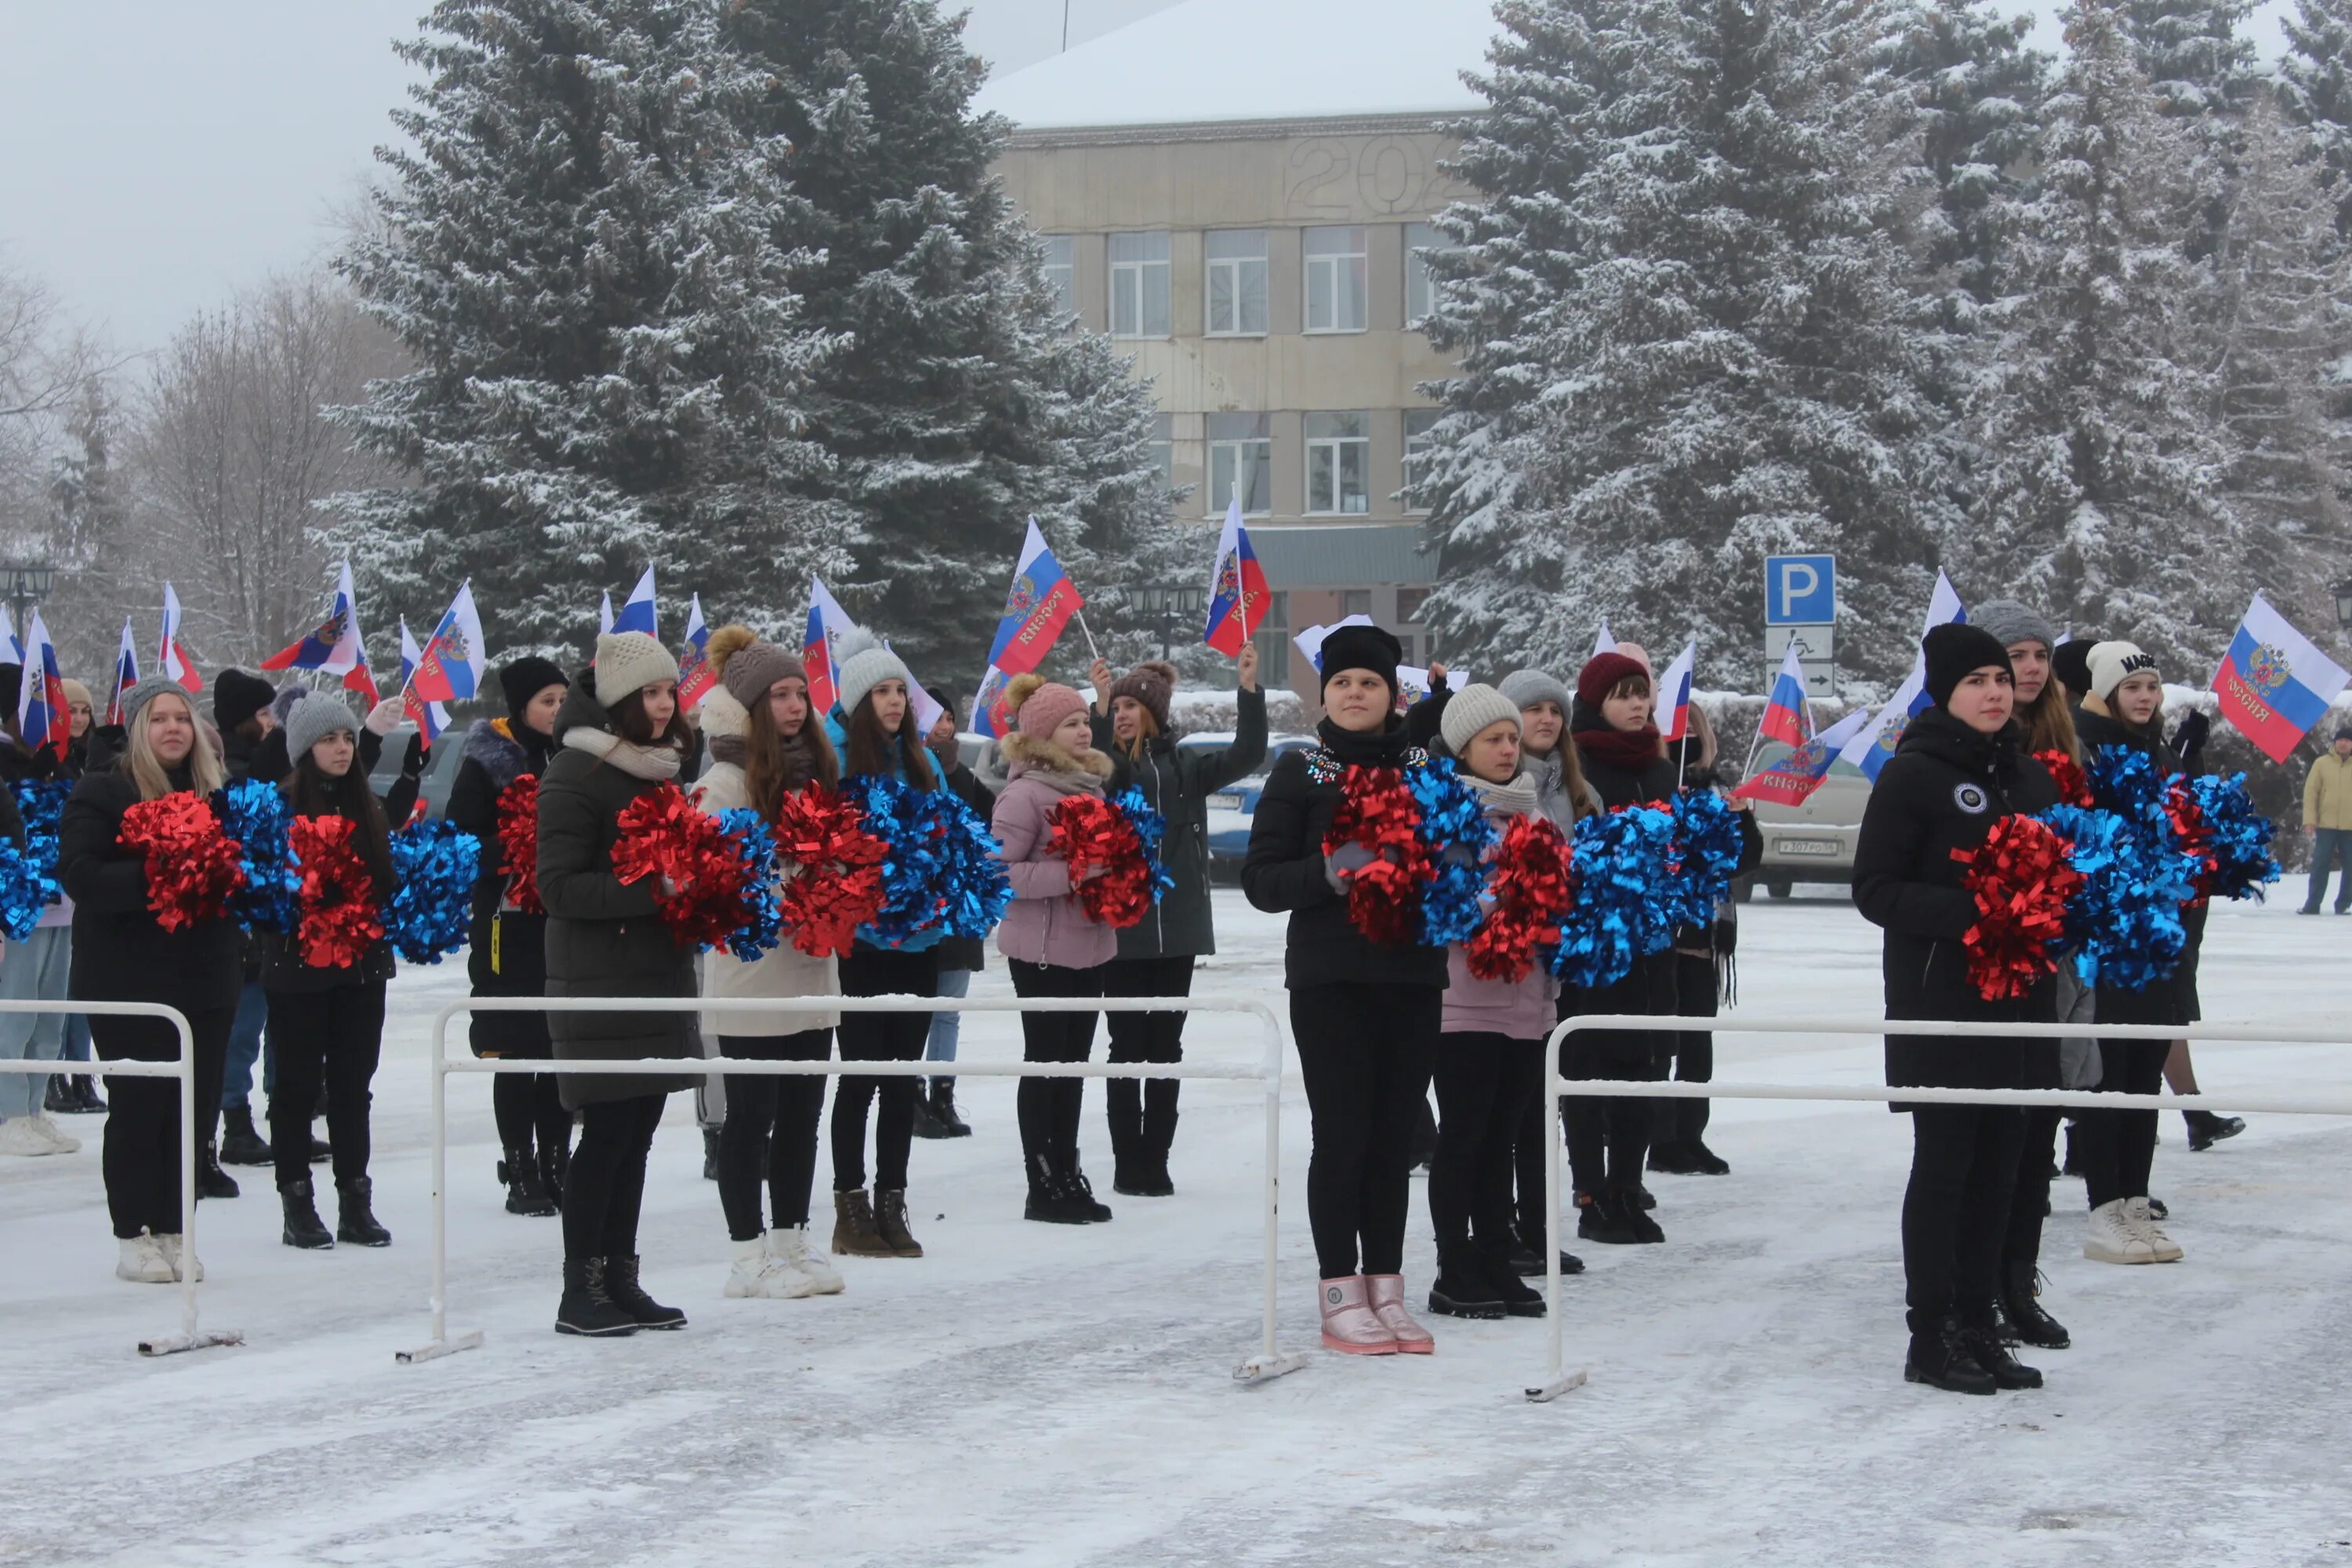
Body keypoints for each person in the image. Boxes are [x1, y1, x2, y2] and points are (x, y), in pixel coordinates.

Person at [1853, 622, 2059, 1396]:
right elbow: (1874, 887)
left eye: (2001, 679)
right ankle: (1930, 1333)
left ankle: (1981, 1322)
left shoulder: (2029, 776)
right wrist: (1979, 908)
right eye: (1977, 680)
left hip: (2021, 1003)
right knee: (1946, 1168)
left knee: (2002, 1168)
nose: (1995, 691)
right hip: (1943, 999)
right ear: (1945, 690)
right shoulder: (1913, 774)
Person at [1243, 622, 1445, 1356]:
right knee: (1344, 1137)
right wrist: (1330, 869)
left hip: (1414, 972)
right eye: (1341, 684)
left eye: (1369, 683)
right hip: (1332, 978)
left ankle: (1386, 1290)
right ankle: (1338, 1293)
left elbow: (1457, 856)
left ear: (1393, 693)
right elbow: (1261, 879)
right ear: (1323, 694)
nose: (1355, 694)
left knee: (1395, 1139)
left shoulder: (1426, 767)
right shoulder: (1302, 770)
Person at [537, 632, 699, 1337]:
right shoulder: (576, 771)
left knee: (637, 1134)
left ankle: (622, 1278)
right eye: (650, 694)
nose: (664, 707)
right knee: (605, 1136)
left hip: (653, 974)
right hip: (598, 981)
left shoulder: (657, 770)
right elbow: (559, 887)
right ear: (617, 700)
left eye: (669, 692)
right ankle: (583, 1289)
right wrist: (655, 889)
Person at [59, 678, 241, 1285]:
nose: (172, 729)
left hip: (206, 977)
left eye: (182, 719)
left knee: (195, 1108)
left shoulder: (219, 794)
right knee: (141, 1105)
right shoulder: (102, 792)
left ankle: (175, 1226)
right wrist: (160, 871)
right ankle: (132, 1232)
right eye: (159, 718)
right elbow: (81, 875)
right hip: (128, 980)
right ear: (138, 728)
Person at [688, 628, 847, 1300]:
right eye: (778, 695)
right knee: (750, 1119)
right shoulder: (723, 780)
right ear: (750, 706)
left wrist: (842, 878)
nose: (792, 707)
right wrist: (792, 885)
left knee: (804, 1114)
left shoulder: (816, 772)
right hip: (752, 971)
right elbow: (713, 879)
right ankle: (746, 1254)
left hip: (811, 968)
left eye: (798, 694)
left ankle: (790, 1239)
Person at [1085, 644, 1267, 1196]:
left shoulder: (1188, 767)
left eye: (1129, 706)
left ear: (1155, 713)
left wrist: (1249, 691)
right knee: (1124, 1048)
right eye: (1116, 707)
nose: (1121, 714)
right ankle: (1126, 1161)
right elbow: (1094, 780)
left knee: (1166, 1048)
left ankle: (1156, 1159)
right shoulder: (1108, 766)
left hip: (1179, 931)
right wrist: (1096, 708)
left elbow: (1249, 752)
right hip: (1123, 929)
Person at [264, 694, 419, 1250]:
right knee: (297, 1087)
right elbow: (261, 893)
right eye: (329, 739)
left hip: (362, 965)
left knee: (354, 1086)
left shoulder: (367, 805)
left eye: (348, 739)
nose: (341, 748)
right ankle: (296, 1200)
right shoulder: (279, 807)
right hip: (296, 965)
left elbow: (387, 880)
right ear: (305, 748)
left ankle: (356, 1200)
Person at [1969, 599, 2081, 1352]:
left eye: (2040, 656)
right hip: (1989, 958)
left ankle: (2020, 1280)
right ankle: (1979, 1287)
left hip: (2057, 956)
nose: (2031, 670)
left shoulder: (2064, 746)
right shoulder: (1974, 748)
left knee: (2038, 1127)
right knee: (1988, 1137)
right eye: (2017, 658)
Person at [1424, 684, 1552, 1321]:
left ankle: (1499, 1255)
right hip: (1465, 1005)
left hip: (1529, 1002)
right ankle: (1455, 1265)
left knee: (1503, 1138)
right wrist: (1507, 896)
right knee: (1464, 1138)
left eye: (1511, 738)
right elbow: (1436, 912)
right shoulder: (1445, 814)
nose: (1507, 749)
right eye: (1492, 740)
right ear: (1462, 749)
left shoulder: (1533, 815)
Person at [820, 630, 943, 1261]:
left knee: (902, 1080)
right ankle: (851, 1208)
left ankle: (894, 1205)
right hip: (861, 943)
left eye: (901, 690)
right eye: (882, 691)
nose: (896, 701)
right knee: (861, 1077)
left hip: (918, 939)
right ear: (857, 700)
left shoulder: (924, 760)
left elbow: (948, 832)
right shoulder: (834, 757)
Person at [2070, 641, 2188, 1265]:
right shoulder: (2084, 746)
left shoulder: (2159, 749)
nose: (2145, 697)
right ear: (2106, 692)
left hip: (2156, 935)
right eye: (2132, 686)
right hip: (2105, 939)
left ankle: (2137, 1202)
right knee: (2108, 1074)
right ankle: (2105, 1208)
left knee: (2144, 1077)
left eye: (2152, 686)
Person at [445, 656, 575, 1218]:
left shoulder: (574, 756)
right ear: (521, 707)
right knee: (518, 1047)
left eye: (563, 700)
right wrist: (518, 848)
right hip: (507, 923)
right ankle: (519, 1166)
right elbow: (461, 841)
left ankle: (556, 1161)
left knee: (559, 1048)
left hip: (562, 921)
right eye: (547, 701)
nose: (557, 711)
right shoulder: (486, 762)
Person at [989, 672, 1120, 1222]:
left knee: (1073, 1065)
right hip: (1040, 950)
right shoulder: (1023, 795)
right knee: (1046, 1063)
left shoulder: (1090, 789)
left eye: (1085, 721)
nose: (1083, 731)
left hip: (1088, 947)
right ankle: (1041, 1181)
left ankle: (1068, 1172)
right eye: (1070, 723)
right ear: (1042, 735)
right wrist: (1071, 874)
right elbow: (999, 872)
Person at [1561, 651, 1682, 1244]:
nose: (1637, 705)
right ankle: (1592, 1196)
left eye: (1643, 693)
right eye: (1623, 694)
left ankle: (1628, 1189)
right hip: (1593, 942)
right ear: (1596, 702)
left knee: (1644, 1068)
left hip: (1652, 943)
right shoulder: (1574, 765)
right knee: (1588, 1071)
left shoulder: (1660, 769)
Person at [1496, 666, 1599, 1277]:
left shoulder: (1580, 792)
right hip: (1497, 971)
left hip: (1558, 970)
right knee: (1500, 1112)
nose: (1545, 720)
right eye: (1532, 710)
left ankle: (1537, 1227)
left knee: (1542, 1110)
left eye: (1554, 711)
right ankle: (1500, 1229)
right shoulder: (1496, 788)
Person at [209, 667, 282, 1184]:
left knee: (280, 1025)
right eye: (262, 714)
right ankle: (235, 1120)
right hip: (242, 926)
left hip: (273, 919)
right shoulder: (231, 774)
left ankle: (282, 1113)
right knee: (242, 1031)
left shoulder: (265, 765)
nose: (270, 722)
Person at [913, 696, 991, 1140]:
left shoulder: (965, 778)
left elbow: (990, 830)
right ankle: (912, 1096)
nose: (944, 725)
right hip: (920, 911)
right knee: (917, 1009)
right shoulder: (905, 771)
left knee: (947, 1012)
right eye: (935, 716)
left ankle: (943, 1096)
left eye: (949, 718)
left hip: (959, 911)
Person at [43, 677, 104, 1116]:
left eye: (85, 711)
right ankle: (52, 1074)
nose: (80, 719)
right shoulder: (50, 762)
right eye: (72, 711)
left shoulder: (97, 759)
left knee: (80, 985)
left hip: (84, 893)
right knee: (52, 988)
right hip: (55, 887)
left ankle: (80, 1069)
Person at [2300, 724, 2352, 914]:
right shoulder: (2322, 763)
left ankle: (2344, 904)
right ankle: (2313, 904)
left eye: (2347, 740)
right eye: (2340, 740)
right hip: (2326, 824)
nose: (2343, 744)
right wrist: (2309, 820)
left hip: (2350, 826)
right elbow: (2311, 792)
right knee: (2320, 864)